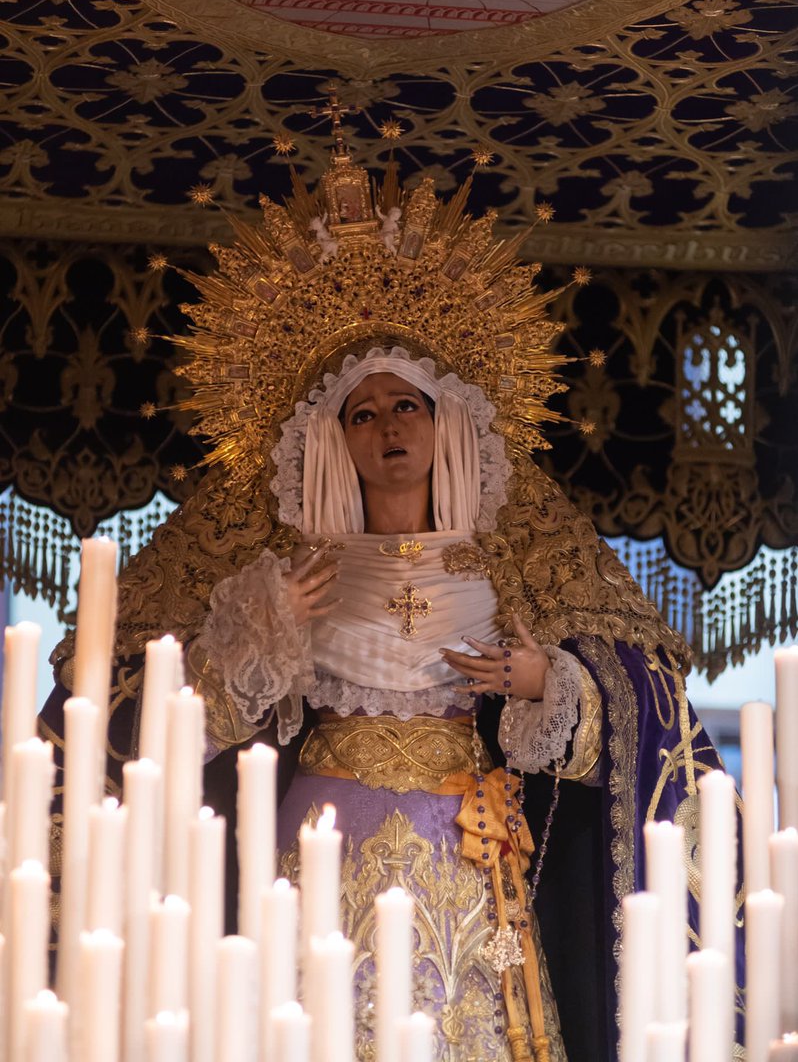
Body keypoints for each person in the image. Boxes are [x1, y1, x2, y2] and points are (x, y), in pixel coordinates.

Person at [42, 141, 741, 1061]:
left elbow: (640, 715)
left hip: (470, 847)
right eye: (361, 414)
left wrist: (547, 683)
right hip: (322, 839)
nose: (387, 428)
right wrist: (262, 637)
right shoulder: (281, 570)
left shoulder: (515, 556)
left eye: (405, 404)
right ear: (333, 440)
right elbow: (172, 727)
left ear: (445, 419)